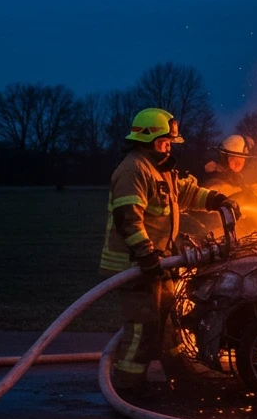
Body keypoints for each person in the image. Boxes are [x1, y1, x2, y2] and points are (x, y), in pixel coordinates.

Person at [100, 108, 235, 391]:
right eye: (165, 141)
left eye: (170, 142)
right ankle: (128, 384)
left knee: (168, 322)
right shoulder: (133, 169)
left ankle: (179, 371)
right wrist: (146, 254)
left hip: (159, 264)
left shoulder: (161, 170)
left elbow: (186, 193)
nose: (169, 146)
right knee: (142, 327)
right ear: (147, 140)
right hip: (135, 266)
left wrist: (218, 200)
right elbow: (128, 218)